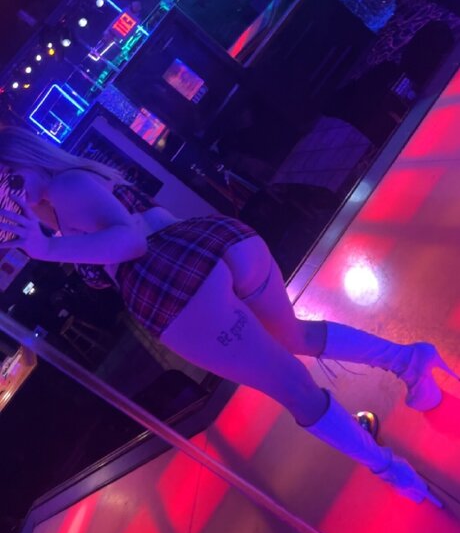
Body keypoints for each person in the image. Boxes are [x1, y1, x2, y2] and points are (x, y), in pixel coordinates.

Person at [0, 125, 457, 506]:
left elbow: (131, 243)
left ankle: (393, 472)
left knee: (293, 388)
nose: (9, 194)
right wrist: (44, 230)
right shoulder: (75, 182)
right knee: (296, 336)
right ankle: (410, 362)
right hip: (214, 244)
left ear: (20, 157)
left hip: (173, 289)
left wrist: (50, 248)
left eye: (7, 179)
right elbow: (146, 221)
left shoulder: (65, 188)